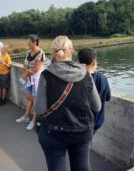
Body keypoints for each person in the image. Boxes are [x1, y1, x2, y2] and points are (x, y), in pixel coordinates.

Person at [35, 35, 101, 171]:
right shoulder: (86, 74)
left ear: (54, 53)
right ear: (71, 51)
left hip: (53, 132)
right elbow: (97, 106)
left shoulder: (45, 75)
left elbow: (40, 109)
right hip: (81, 131)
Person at [78, 48, 111, 134]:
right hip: (96, 121)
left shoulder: (76, 78)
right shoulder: (102, 78)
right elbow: (108, 97)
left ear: (78, 61)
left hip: (79, 123)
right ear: (94, 62)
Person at [16, 34, 45, 131]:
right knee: (29, 97)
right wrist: (27, 73)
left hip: (36, 80)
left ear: (35, 42)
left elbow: (36, 69)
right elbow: (25, 66)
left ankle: (33, 120)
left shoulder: (41, 53)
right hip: (29, 78)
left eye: (29, 42)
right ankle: (26, 117)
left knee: (35, 100)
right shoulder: (29, 52)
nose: (27, 44)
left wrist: (26, 74)